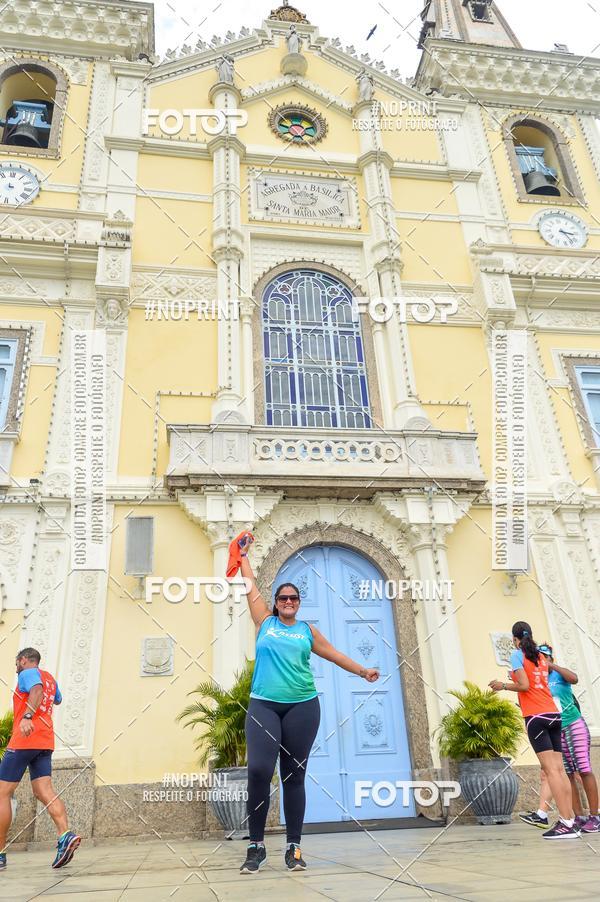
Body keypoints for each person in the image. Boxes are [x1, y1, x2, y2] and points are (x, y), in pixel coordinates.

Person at [237, 532, 380, 874]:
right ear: (275, 602)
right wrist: (242, 556)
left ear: (299, 603)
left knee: (294, 776)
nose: (288, 602)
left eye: (294, 598)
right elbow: (250, 584)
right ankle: (256, 846)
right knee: (258, 770)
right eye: (283, 598)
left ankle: (294, 848)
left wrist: (362, 671)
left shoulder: (307, 631)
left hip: (302, 706)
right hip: (264, 706)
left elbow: (333, 655)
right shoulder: (264, 622)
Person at [489, 622, 577, 839]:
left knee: (551, 771)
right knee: (559, 769)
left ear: (514, 639)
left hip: (536, 718)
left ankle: (565, 823)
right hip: (554, 715)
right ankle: (571, 821)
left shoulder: (517, 655)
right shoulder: (540, 655)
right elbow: (537, 682)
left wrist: (503, 685)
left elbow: (525, 685)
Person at [0, 648, 80, 870]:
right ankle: (65, 835)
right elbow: (57, 699)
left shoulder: (28, 673)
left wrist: (27, 716)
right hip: (45, 742)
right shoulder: (50, 678)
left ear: (23, 660)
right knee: (44, 791)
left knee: (2, 793)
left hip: (25, 739)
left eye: (17, 662)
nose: (16, 666)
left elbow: (35, 690)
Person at [520, 643, 599, 833]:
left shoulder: (558, 674)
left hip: (573, 723)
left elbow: (575, 678)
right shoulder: (538, 679)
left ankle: (595, 816)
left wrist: (552, 666)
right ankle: (578, 816)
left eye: (545, 656)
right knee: (567, 773)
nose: (541, 659)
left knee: (584, 769)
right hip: (555, 729)